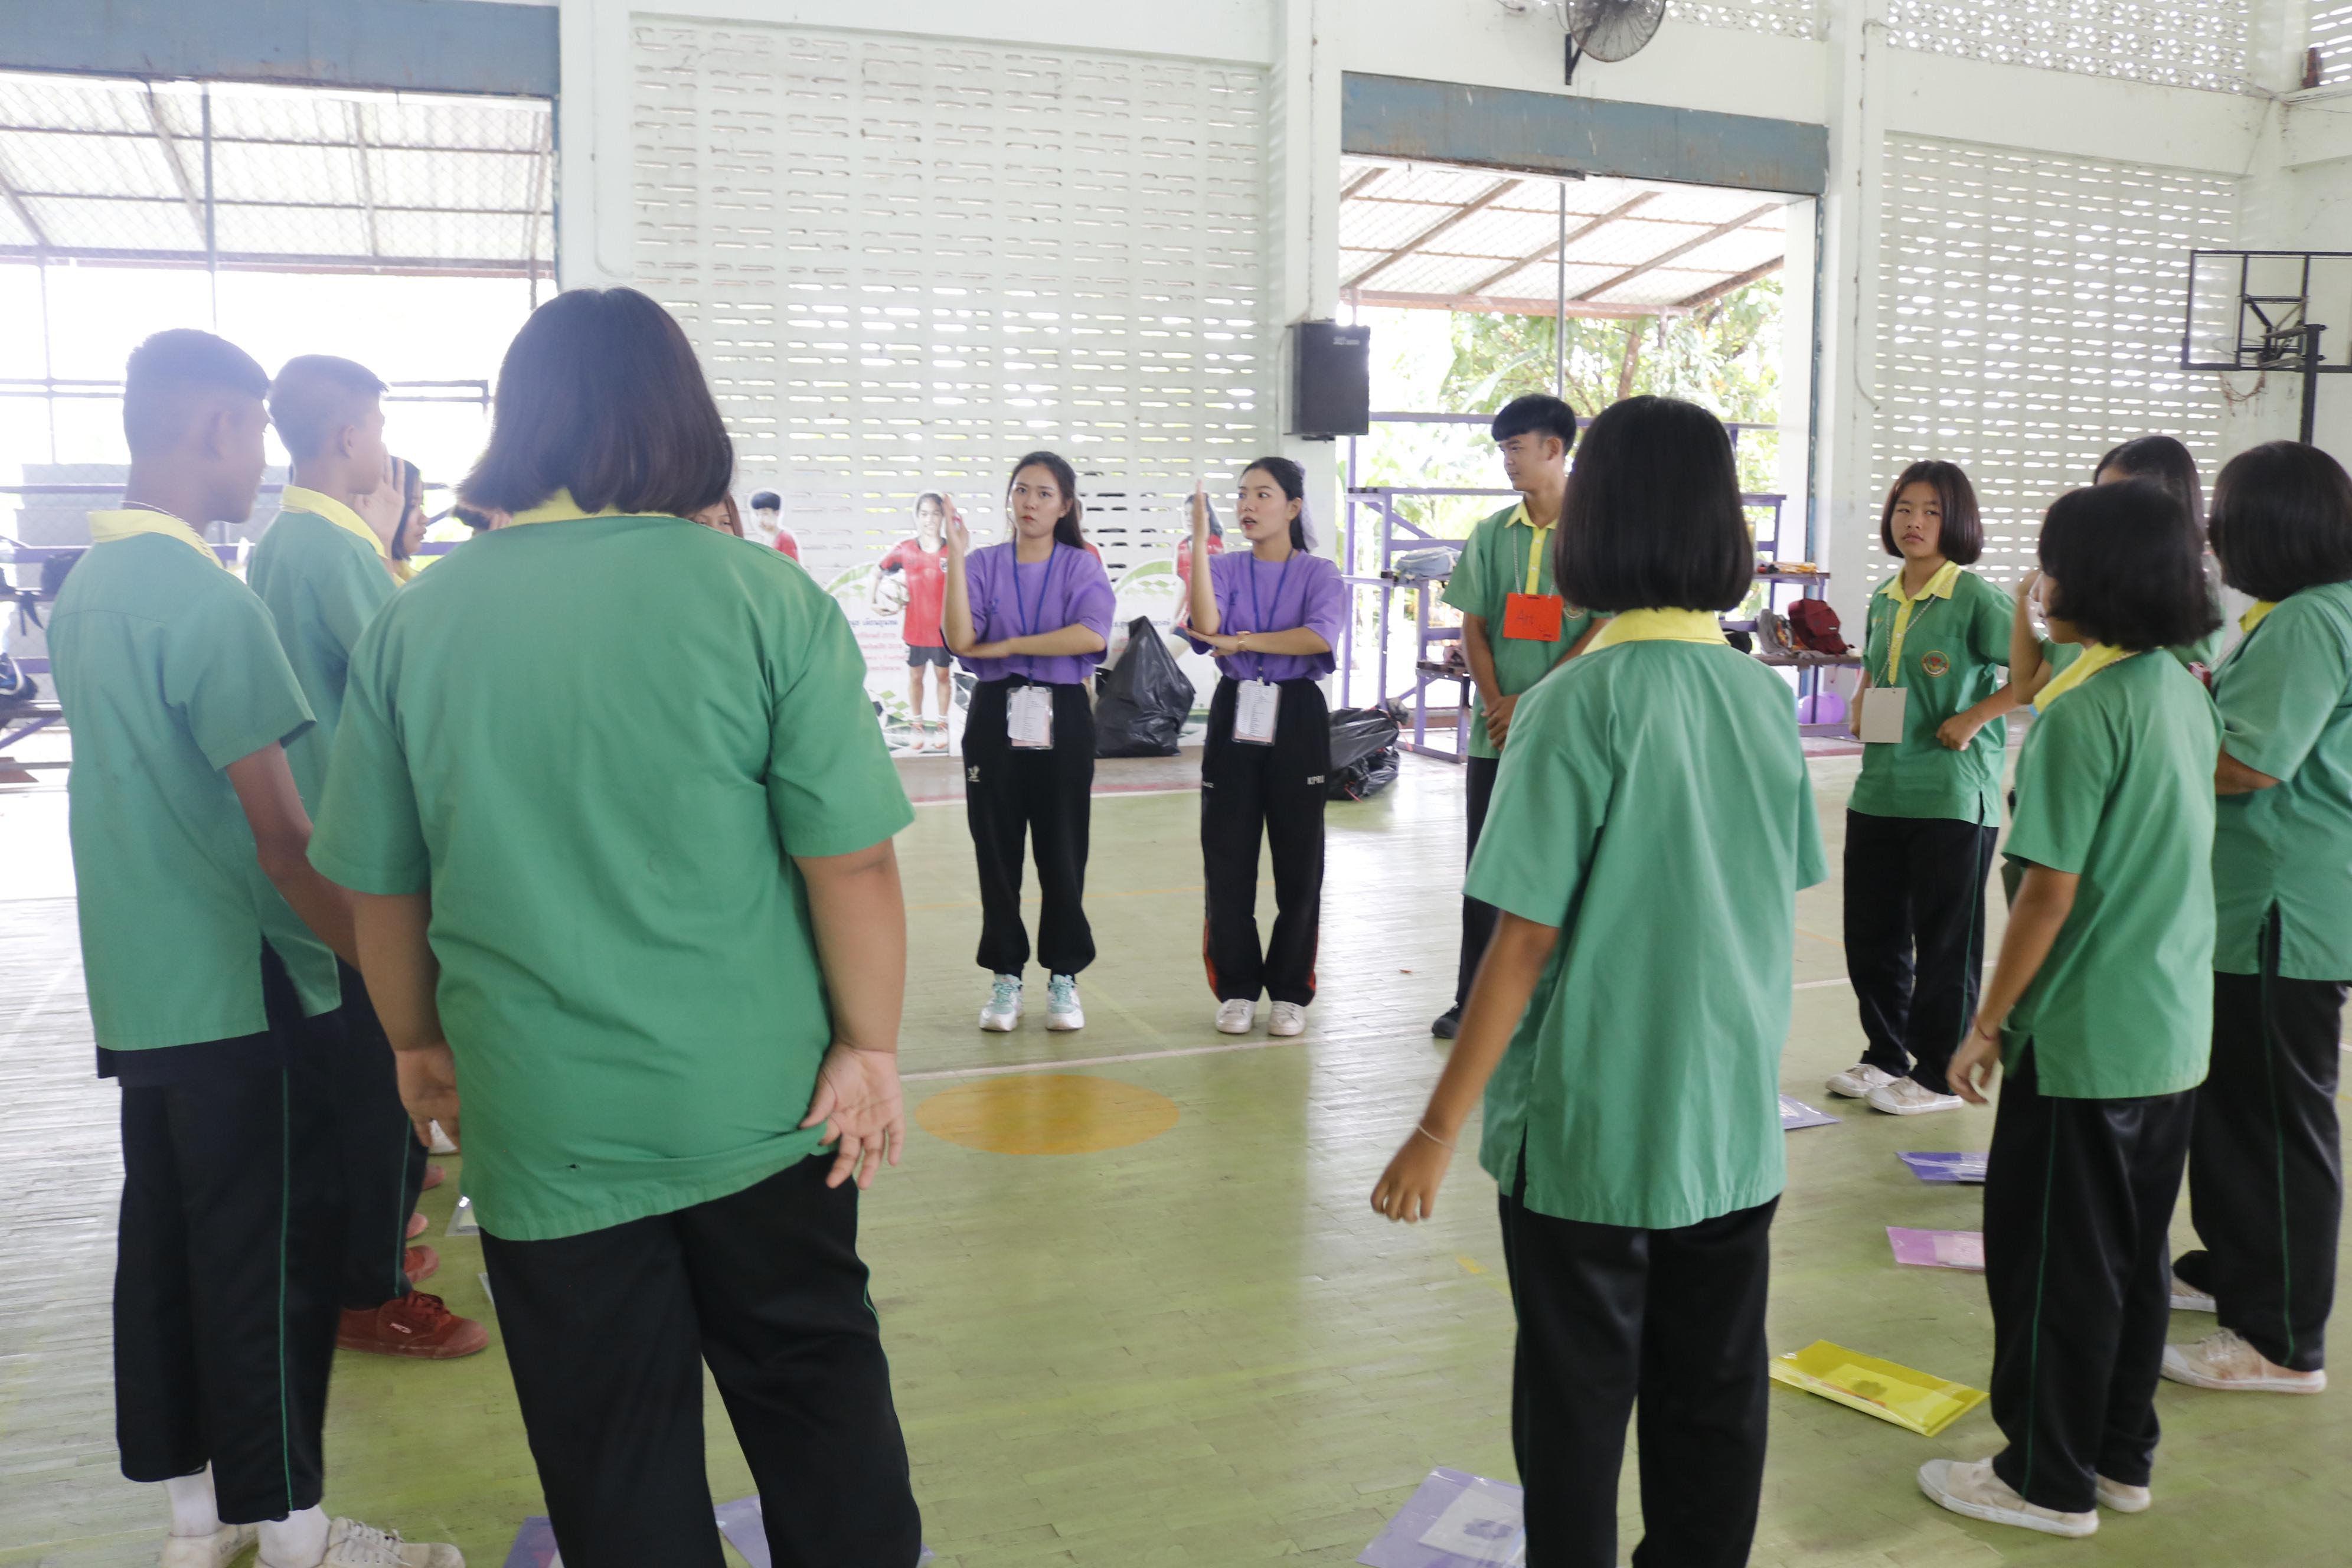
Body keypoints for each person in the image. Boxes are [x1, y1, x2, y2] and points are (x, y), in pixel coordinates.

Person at [306, 286, 923, 1568]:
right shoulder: (763, 602)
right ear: (678, 417)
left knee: (611, 1442)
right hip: (766, 1107)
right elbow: (850, 859)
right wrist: (870, 1046)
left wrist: (413, 1039)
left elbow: (384, 883)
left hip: (543, 1119)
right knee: (817, 1393)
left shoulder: (416, 621)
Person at [1371, 396, 1825, 1568]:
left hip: (1588, 1133)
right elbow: (1769, 889)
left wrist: (1434, 1125)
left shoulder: (1573, 704)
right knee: (1716, 1389)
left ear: (1596, 521)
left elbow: (1519, 941)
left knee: (1576, 1399)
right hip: (1727, 1123)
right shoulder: (1760, 700)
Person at [48, 329, 459, 1568]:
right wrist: (400, 992)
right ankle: (294, 1531)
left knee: (168, 1252)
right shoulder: (206, 600)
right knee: (269, 1263)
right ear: (220, 427)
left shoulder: (86, 590)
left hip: (142, 990)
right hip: (248, 990)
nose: (261, 455)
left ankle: (197, 1519)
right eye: (250, 430)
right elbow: (284, 840)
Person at [1924, 479, 2220, 1537]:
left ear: (2085, 578)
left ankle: (2041, 1477)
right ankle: (2114, 1456)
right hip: (2169, 1030)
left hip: (2084, 1036)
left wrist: (1986, 1021)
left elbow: (2046, 893)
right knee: (2132, 1262)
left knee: (2051, 1266)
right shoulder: (2178, 690)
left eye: (2047, 562)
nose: (2036, 581)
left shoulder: (2079, 716)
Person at [249, 354, 486, 1361]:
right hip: (354, 853)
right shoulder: (335, 550)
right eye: (378, 429)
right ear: (348, 437)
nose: (385, 451)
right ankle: (371, 1286)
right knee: (377, 1066)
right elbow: (413, 677)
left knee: (350, 1069)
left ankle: (368, 1253)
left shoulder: (285, 543)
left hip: (320, 844)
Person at [2164, 441, 2352, 1396]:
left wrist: (2142, 754)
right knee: (2232, 1107)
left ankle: (2279, 1339)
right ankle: (2232, 1268)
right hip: (2261, 903)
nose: (2211, 530)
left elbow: (2248, 763)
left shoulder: (2309, 623)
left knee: (2271, 1122)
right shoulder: (2294, 617)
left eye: (2225, 511)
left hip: (2281, 905)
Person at [1830, 461, 2021, 1117]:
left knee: (1945, 942)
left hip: (1951, 797)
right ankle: (1885, 1055)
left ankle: (1938, 1075)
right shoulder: (1886, 595)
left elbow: (2036, 670)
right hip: (1880, 790)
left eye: (1931, 511)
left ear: (1958, 522)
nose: (1914, 522)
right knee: (1873, 934)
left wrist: (1975, 717)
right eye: (1904, 508)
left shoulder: (1976, 598)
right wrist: (1860, 700)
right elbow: (1876, 665)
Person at [1432, 394, 1600, 1040]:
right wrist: (1498, 699)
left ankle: (1559, 1000)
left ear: (1555, 449)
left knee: (1565, 866)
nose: (1508, 460)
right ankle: (1472, 999)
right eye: (1503, 449)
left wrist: (1537, 701)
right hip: (1494, 734)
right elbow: (1474, 624)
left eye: (1517, 447)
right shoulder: (1490, 533)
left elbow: (1605, 629)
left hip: (1566, 736)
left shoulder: (1594, 534)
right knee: (1487, 865)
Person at [942, 451, 1116, 1033]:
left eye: (1044, 493)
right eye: (1021, 491)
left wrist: (1003, 647)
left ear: (1065, 505)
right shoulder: (985, 562)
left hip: (1061, 714)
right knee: (997, 851)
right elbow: (960, 636)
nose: (1031, 503)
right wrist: (958, 557)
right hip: (997, 715)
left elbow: (1089, 634)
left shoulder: (1081, 565)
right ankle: (1006, 975)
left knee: (1062, 851)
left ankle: (1064, 976)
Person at [1181, 458, 1345, 1038]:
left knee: (1300, 861)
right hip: (1237, 708)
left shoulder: (1321, 573)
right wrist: (1201, 545)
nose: (1249, 505)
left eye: (1263, 494)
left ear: (1293, 507)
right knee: (1227, 857)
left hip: (1297, 712)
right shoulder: (1224, 567)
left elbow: (1318, 636)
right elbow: (1204, 622)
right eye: (1243, 495)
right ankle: (1237, 987)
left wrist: (1243, 640)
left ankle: (1291, 989)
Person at [2008, 436, 2227, 701]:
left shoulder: (2181, 600)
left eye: (2121, 499)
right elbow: (2027, 690)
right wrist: (2025, 594)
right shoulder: (2090, 594)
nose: (2104, 514)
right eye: (2099, 496)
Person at [876, 493, 954, 752]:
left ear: (942, 517)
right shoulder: (905, 549)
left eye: (934, 513)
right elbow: (879, 570)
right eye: (924, 514)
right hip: (915, 631)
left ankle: (942, 725)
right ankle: (917, 725)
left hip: (943, 633)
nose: (929, 519)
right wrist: (873, 602)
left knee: (943, 675)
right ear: (917, 517)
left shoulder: (951, 550)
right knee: (916, 676)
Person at [752, 489, 801, 561]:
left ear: (777, 513)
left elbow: (792, 569)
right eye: (757, 514)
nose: (760, 519)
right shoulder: (767, 538)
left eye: (765, 514)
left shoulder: (785, 539)